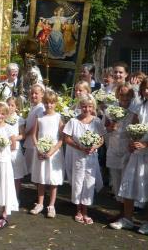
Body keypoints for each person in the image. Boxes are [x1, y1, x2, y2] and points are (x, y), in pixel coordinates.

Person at [110, 78, 148, 233]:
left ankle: (146, 222)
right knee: (129, 183)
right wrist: (133, 141)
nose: (147, 91)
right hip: (137, 152)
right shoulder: (140, 107)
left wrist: (146, 145)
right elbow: (133, 126)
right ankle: (127, 219)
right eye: (145, 88)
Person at [63, 95, 105, 225]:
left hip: (91, 158)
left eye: (90, 106)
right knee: (78, 182)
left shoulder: (97, 121)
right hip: (78, 157)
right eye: (84, 106)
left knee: (89, 183)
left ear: (93, 107)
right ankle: (78, 210)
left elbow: (101, 139)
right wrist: (79, 146)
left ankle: (86, 210)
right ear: (80, 107)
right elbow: (67, 138)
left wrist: (95, 146)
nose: (87, 109)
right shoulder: (74, 121)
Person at [29, 91, 64, 218]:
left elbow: (61, 138)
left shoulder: (58, 117)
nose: (49, 105)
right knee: (41, 178)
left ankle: (52, 205)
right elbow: (34, 134)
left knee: (52, 179)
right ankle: (40, 203)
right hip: (40, 151)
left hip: (53, 153)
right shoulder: (39, 116)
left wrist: (52, 151)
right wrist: (38, 149)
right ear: (43, 103)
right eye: (47, 103)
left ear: (55, 103)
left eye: (52, 103)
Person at [105, 84, 136, 203]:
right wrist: (110, 127)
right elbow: (103, 129)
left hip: (128, 150)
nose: (125, 97)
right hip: (113, 148)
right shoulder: (109, 111)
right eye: (122, 94)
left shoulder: (134, 112)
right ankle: (119, 209)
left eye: (128, 94)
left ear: (132, 95)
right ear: (118, 95)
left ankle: (126, 211)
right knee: (116, 181)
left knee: (126, 181)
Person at [6, 97, 27, 197]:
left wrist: (13, 138)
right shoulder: (3, 117)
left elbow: (23, 135)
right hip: (5, 147)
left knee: (16, 174)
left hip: (15, 148)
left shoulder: (19, 119)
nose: (10, 107)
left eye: (12, 105)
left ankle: (15, 195)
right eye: (8, 105)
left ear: (16, 107)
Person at [24, 84, 46, 173]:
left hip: (34, 139)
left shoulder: (41, 108)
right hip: (29, 138)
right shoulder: (33, 107)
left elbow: (35, 126)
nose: (33, 95)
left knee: (33, 165)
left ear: (42, 94)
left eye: (36, 93)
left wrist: (26, 134)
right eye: (32, 93)